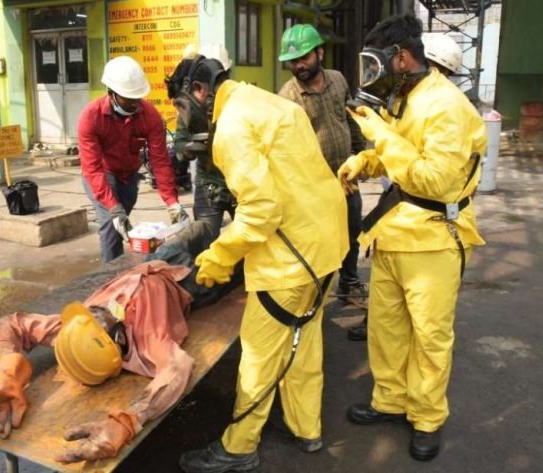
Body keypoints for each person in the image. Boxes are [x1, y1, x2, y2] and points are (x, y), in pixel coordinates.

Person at [165, 55, 348, 473]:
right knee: (304, 340)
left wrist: (220, 255)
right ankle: (307, 428)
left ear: (198, 91)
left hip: (291, 257)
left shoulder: (230, 128)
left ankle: (239, 447)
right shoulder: (267, 102)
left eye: (179, 104)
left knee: (258, 356)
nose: (180, 114)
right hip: (325, 245)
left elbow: (262, 210)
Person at [338, 13, 486, 461]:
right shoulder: (406, 97)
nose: (371, 75)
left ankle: (425, 417)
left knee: (429, 336)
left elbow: (435, 180)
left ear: (400, 58)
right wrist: (366, 161)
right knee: (386, 329)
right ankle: (390, 399)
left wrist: (379, 133)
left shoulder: (446, 106)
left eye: (374, 64)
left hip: (434, 239)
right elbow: (401, 157)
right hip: (394, 235)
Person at [0, 226, 241, 464]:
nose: (97, 311)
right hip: (188, 281)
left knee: (204, 226)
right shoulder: (148, 340)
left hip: (158, 260)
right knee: (242, 256)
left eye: (92, 316)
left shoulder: (74, 328)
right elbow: (178, 368)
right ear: (116, 340)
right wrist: (129, 421)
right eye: (101, 322)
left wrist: (8, 377)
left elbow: (11, 324)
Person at [277, 24, 368, 312]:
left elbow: (350, 118)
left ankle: (349, 283)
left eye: (304, 57)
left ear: (320, 52)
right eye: (293, 61)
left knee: (352, 232)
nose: (298, 65)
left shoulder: (339, 80)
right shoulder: (287, 97)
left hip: (346, 179)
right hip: (314, 189)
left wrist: (362, 153)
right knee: (319, 243)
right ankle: (318, 291)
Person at [77, 55, 189, 264]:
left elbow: (160, 162)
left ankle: (123, 274)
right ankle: (109, 280)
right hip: (102, 174)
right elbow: (92, 169)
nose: (135, 104)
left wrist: (172, 202)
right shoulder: (90, 118)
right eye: (129, 99)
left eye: (137, 98)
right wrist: (112, 206)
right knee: (112, 224)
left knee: (124, 225)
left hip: (129, 176)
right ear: (111, 93)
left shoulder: (150, 116)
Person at [175, 43, 236, 242]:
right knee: (203, 242)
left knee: (252, 246)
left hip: (241, 184)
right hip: (208, 185)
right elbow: (179, 146)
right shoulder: (192, 108)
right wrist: (190, 150)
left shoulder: (240, 101)